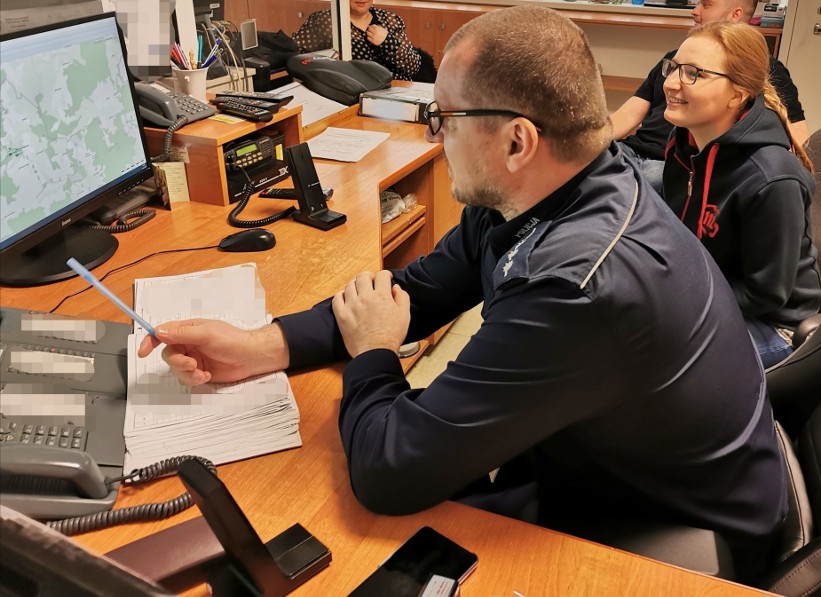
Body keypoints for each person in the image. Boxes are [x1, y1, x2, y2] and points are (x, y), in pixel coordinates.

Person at [141, 6, 786, 580]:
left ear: (516, 140)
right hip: (604, 458)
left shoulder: (577, 286)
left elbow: (388, 472)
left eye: (443, 116)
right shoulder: (552, 185)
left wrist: (373, 355)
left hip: (676, 534)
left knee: (351, 548)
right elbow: (415, 291)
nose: (435, 134)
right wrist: (262, 345)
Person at [660, 21, 821, 369]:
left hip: (775, 325)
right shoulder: (683, 147)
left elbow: (765, 294)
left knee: (648, 363)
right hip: (709, 297)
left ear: (738, 93)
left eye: (694, 74)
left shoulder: (772, 178)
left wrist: (678, 306)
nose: (672, 83)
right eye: (672, 67)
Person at [610, 0, 808, 194]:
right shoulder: (675, 58)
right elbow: (627, 116)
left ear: (735, 15)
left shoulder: (762, 71)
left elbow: (799, 144)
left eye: (706, 5)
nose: (694, 11)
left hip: (673, 166)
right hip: (630, 151)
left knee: (606, 187)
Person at [291, 0, 422, 81]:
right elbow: (297, 57)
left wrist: (387, 41)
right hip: (350, 94)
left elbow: (414, 67)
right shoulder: (325, 20)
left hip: (395, 91)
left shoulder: (389, 19)